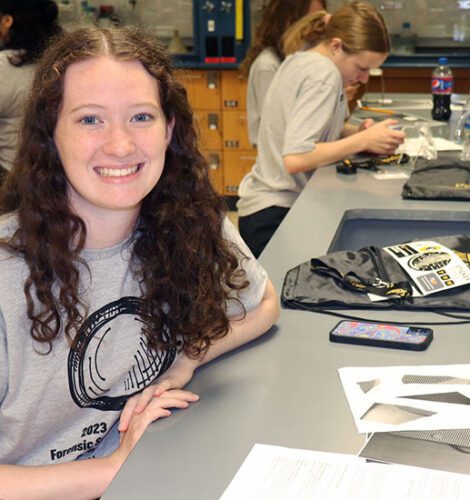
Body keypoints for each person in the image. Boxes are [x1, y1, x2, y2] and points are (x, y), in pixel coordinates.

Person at [0, 26, 280, 498]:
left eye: (141, 117)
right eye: (90, 120)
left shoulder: (189, 222)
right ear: (50, 132)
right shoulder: (7, 271)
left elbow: (263, 302)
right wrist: (111, 470)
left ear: (169, 130)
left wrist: (184, 363)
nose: (121, 146)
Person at [237, 1, 406, 258]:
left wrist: (360, 134)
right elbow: (296, 157)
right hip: (274, 214)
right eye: (361, 68)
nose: (364, 78)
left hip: (264, 209)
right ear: (336, 45)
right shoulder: (324, 75)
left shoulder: (303, 58)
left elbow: (312, 129)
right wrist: (362, 141)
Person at [241, 0, 327, 146]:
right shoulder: (268, 66)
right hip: (280, 158)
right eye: (311, 21)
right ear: (291, 23)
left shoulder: (300, 61)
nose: (317, 30)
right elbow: (278, 129)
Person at [0, 0, 62, 179]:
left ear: (7, 21)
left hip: (11, 175)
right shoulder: (62, 61)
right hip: (55, 175)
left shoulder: (4, 66)